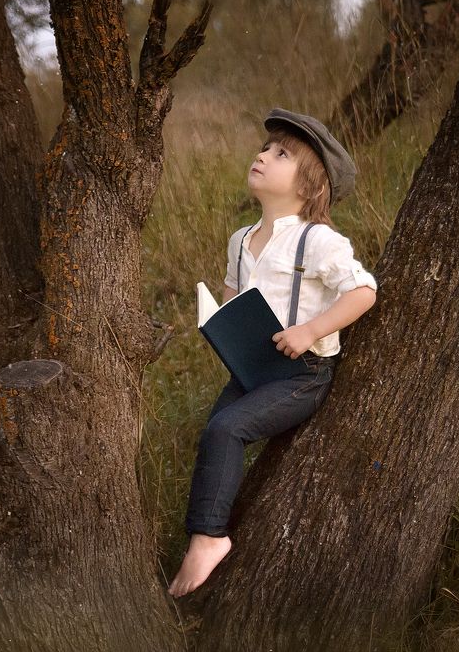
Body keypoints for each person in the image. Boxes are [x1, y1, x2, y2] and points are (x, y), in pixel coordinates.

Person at [167, 108, 379, 598]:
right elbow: (234, 290)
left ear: (307, 186)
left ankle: (208, 540)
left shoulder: (317, 239)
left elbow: (363, 291)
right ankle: (206, 532)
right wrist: (221, 317)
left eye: (281, 154)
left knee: (227, 428)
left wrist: (310, 330)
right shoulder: (241, 238)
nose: (263, 155)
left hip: (300, 374)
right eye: (265, 148)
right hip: (252, 367)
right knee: (213, 435)